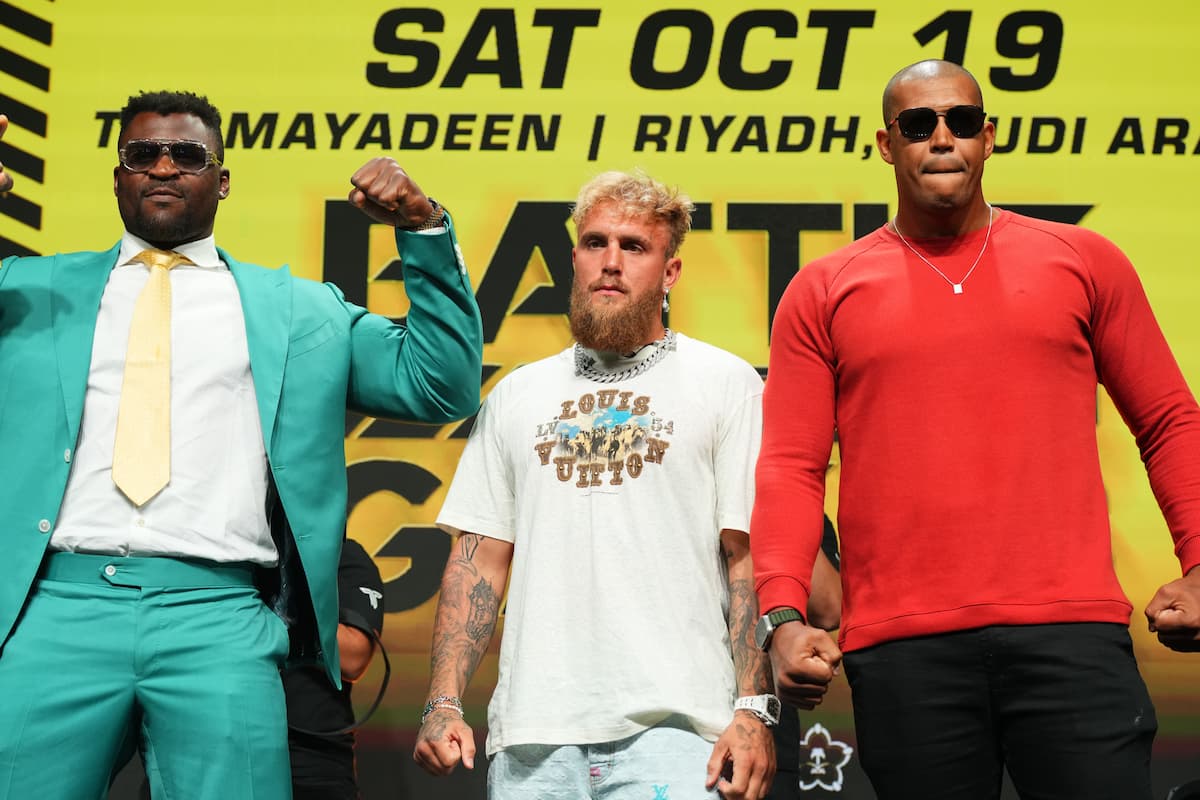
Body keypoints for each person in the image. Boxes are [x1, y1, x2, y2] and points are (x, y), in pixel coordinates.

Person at [0, 90, 482, 799]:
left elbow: (440, 384)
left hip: (218, 613)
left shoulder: (298, 310)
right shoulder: (27, 289)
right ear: (117, 176)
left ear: (221, 179)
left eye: (186, 155)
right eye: (142, 155)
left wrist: (425, 229)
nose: (163, 167)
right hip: (57, 607)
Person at [750, 59, 1200, 800]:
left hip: (1071, 634)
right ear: (886, 145)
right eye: (918, 124)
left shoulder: (1084, 261)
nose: (942, 138)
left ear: (988, 138)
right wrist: (782, 616)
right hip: (902, 650)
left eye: (960, 121)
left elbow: (1168, 421)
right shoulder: (823, 289)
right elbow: (791, 466)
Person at [414, 170, 832, 800]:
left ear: (670, 273)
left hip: (680, 732)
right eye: (595, 243)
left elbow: (746, 557)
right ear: (574, 257)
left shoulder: (725, 383)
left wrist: (752, 710)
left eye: (633, 247)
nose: (610, 262)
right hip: (532, 736)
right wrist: (443, 701)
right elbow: (477, 565)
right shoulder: (515, 396)